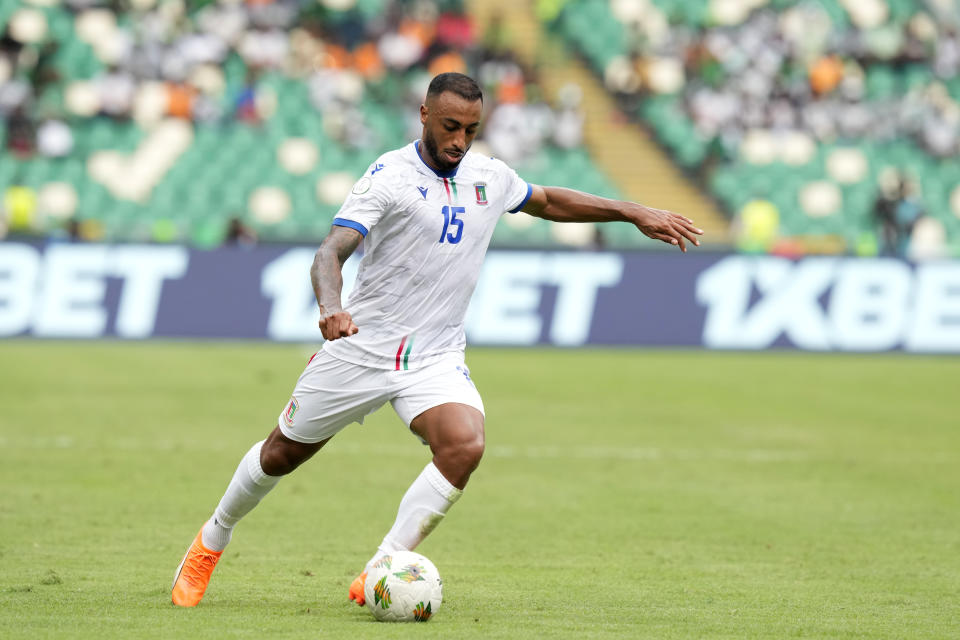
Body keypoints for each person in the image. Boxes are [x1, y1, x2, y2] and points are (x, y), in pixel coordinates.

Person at [171, 72, 702, 607]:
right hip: (362, 346)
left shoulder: (489, 176)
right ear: (424, 115)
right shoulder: (389, 175)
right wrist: (331, 309)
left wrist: (632, 211)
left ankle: (381, 568)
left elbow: (546, 201)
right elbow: (330, 252)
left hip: (435, 357)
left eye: (471, 130)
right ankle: (210, 541)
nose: (460, 141)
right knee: (280, 455)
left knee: (465, 444)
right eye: (451, 127)